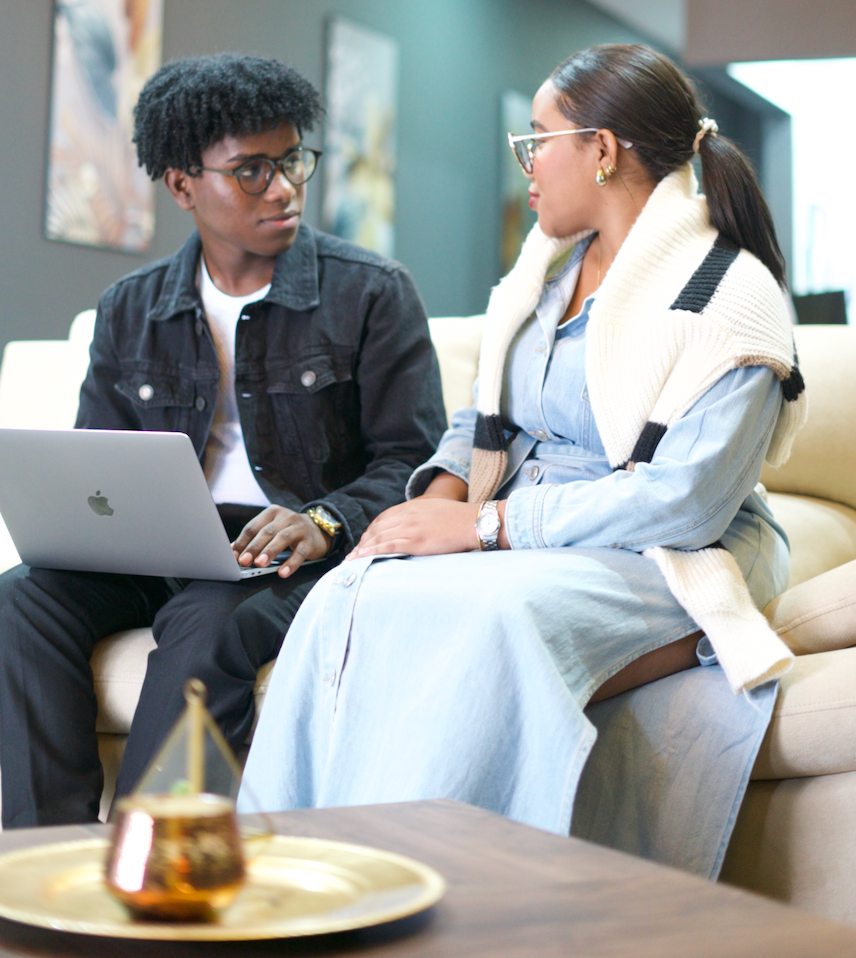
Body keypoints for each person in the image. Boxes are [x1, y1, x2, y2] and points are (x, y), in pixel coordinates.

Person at [238, 44, 806, 881]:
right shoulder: (545, 274)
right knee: (347, 594)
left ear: (602, 150)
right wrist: (435, 497)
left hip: (670, 547)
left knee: (491, 622)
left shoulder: (731, 296)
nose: (527, 164)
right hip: (530, 527)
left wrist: (487, 524)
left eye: (538, 139)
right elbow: (484, 412)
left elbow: (686, 503)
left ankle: (421, 890)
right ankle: (287, 873)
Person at [0, 52, 446, 828]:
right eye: (253, 170)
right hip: (167, 545)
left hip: (291, 550)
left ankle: (151, 864)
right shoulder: (130, 308)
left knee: (210, 621)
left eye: (294, 158)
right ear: (182, 184)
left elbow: (412, 461)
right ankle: (43, 858)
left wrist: (323, 521)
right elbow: (97, 460)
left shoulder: (370, 292)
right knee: (20, 598)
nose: (287, 187)